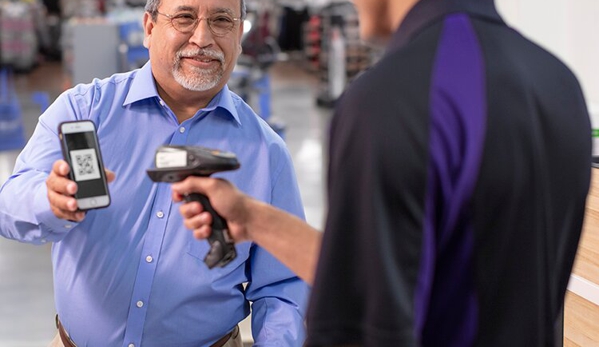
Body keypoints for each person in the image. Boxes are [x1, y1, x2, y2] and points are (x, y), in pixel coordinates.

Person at [172, 0, 593, 345]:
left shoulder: (391, 99)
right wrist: (251, 217)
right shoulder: (557, 85)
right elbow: (438, 270)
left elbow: (362, 320)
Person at [0, 0, 310, 345]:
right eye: (184, 18)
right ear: (149, 27)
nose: (202, 37)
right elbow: (9, 205)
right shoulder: (84, 110)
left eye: (222, 20)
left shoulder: (266, 153)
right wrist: (48, 200)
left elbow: (283, 287)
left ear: (239, 34)